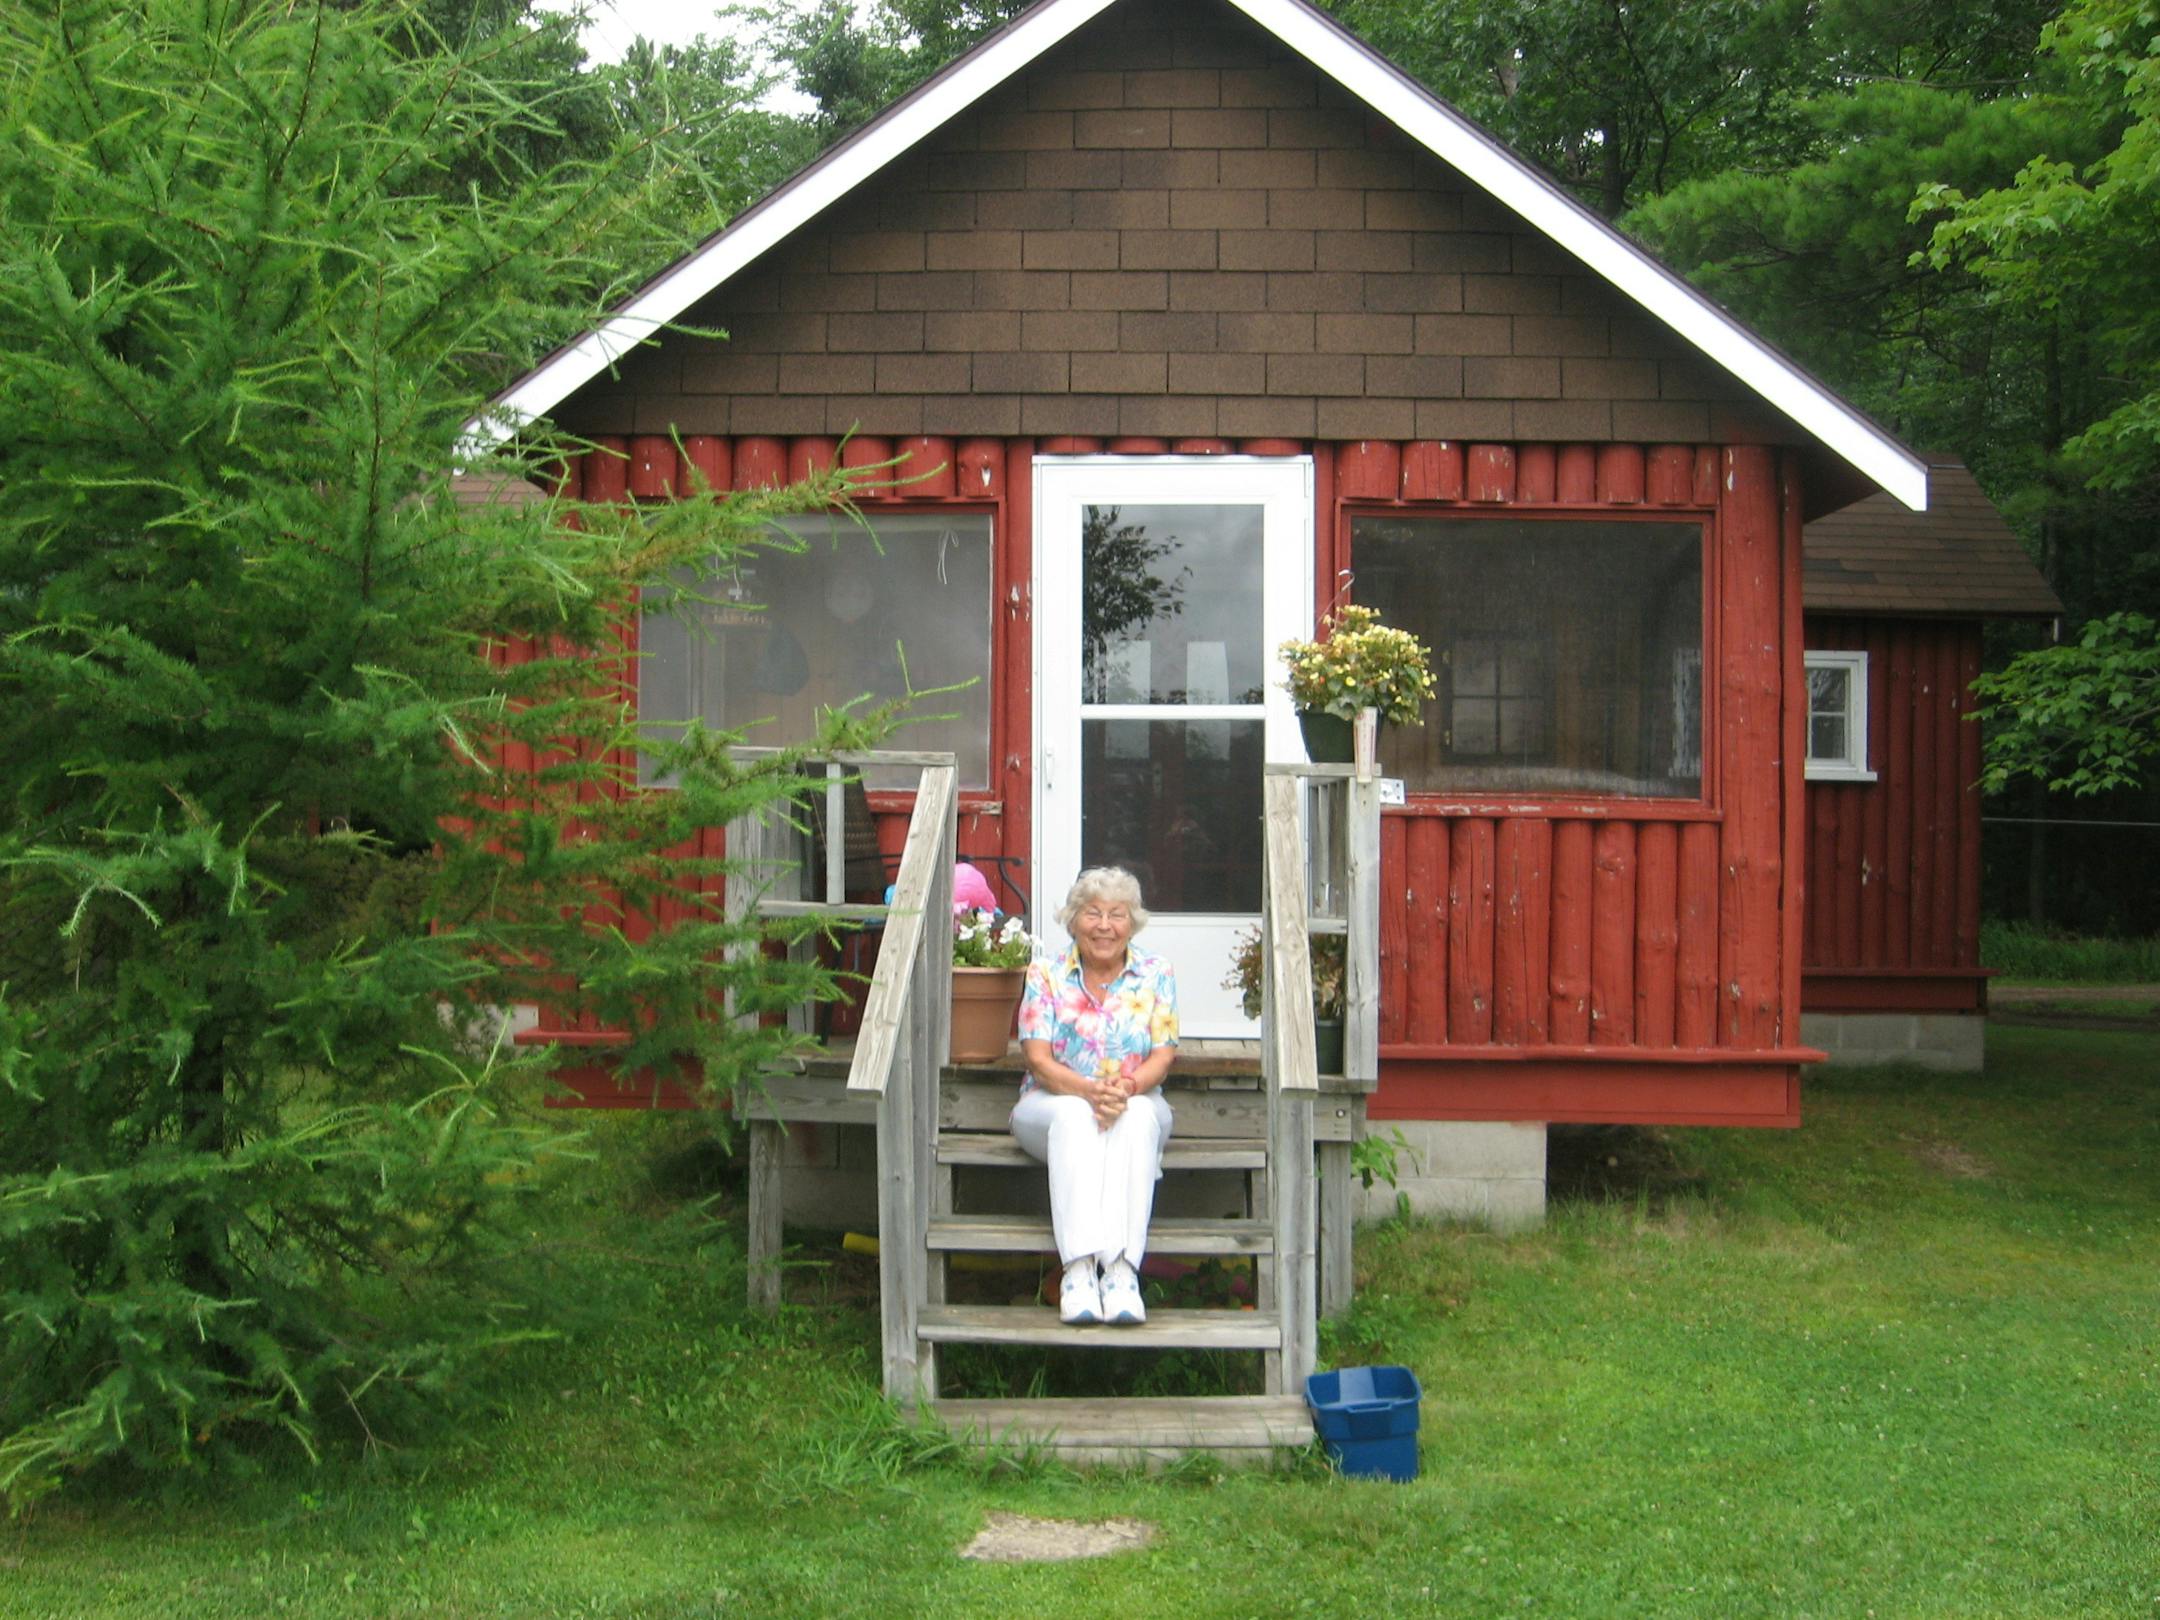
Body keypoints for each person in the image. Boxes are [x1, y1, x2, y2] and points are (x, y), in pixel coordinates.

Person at [1013, 867, 1177, 1326]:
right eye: (1093, 913)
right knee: (1073, 1117)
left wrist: (1125, 1089)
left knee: (1139, 1117)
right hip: (1049, 1102)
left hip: (1134, 1096)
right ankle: (1079, 1271)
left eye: (1116, 914)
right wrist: (1088, 1092)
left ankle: (1122, 1272)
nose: (1104, 925)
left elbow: (1163, 1055)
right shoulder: (1046, 973)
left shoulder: (1156, 973)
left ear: (1132, 922)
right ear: (1074, 920)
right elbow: (1037, 1058)